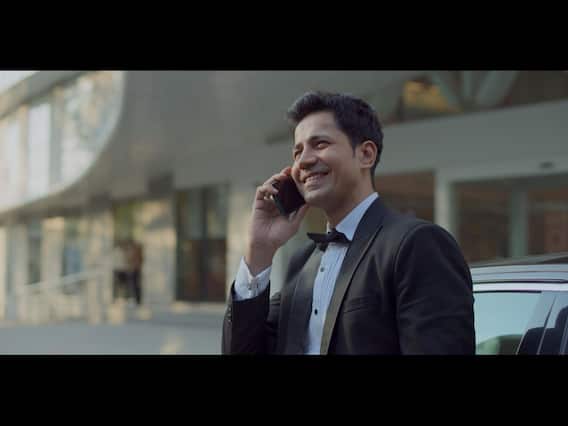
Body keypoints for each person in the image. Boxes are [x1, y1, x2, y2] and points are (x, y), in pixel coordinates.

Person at [222, 91, 475, 355]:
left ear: (366, 154)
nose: (304, 161)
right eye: (297, 152)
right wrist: (259, 250)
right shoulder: (302, 263)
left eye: (320, 144)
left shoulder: (417, 244)